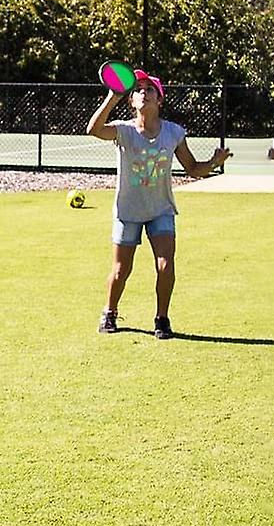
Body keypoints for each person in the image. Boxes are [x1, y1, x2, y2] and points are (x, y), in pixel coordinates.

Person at [86, 69, 232, 339]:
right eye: (138, 89)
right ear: (131, 101)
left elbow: (192, 168)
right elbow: (93, 129)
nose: (143, 92)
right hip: (127, 212)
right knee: (121, 271)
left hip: (160, 210)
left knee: (165, 264)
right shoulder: (124, 131)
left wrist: (213, 163)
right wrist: (112, 96)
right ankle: (109, 312)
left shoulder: (173, 133)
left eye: (149, 89)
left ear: (159, 100)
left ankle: (162, 319)